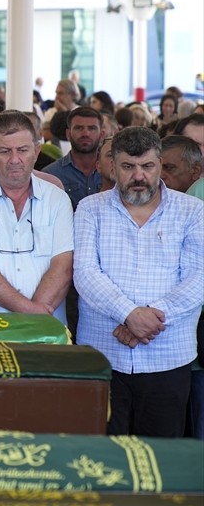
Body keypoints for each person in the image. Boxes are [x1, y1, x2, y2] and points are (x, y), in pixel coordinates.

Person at [74, 127, 203, 437]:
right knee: (103, 455)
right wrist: (129, 314)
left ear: (159, 164)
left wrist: (146, 319)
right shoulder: (90, 208)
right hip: (104, 355)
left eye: (147, 166)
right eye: (128, 166)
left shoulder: (192, 210)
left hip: (168, 354)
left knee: (161, 456)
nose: (138, 176)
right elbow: (85, 274)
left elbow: (198, 278)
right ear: (112, 166)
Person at [0, 111, 74, 322]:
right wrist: (30, 311)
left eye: (22, 150)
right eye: (5, 151)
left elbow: (63, 267)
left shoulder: (57, 198)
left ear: (36, 151)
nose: (14, 159)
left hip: (45, 330)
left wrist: (32, 319)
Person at [48, 106, 103, 208]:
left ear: (102, 135)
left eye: (92, 128)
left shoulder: (113, 172)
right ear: (68, 134)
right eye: (79, 128)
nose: (86, 133)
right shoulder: (51, 174)